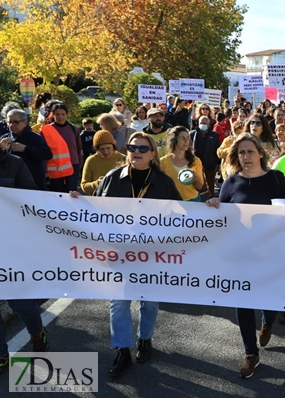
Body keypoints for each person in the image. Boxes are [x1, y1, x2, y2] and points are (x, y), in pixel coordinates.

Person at [71, 132, 181, 378]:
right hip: (117, 253)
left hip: (151, 254)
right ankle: (122, 349)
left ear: (153, 154)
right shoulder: (111, 178)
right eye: (133, 147)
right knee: (118, 303)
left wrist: (211, 209)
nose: (137, 152)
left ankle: (145, 339)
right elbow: (95, 211)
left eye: (144, 148)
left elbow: (181, 216)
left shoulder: (164, 183)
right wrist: (77, 202)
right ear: (127, 150)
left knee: (149, 300)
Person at [205, 134, 285, 379]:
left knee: (271, 298)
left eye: (250, 151)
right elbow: (222, 215)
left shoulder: (276, 178)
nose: (245, 156)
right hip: (240, 255)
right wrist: (213, 203)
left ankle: (268, 321)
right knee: (242, 302)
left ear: (260, 153)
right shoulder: (231, 182)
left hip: (271, 252)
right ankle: (250, 353)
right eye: (241, 153)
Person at [0, 145, 50, 374]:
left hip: (12, 244)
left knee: (20, 303)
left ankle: (37, 332)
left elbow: (30, 197)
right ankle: (1, 354)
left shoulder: (14, 163)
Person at [1, 109, 52, 190]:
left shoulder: (35, 137)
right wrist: (1, 149)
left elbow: (47, 154)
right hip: (10, 183)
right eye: (9, 122)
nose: (11, 125)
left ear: (25, 122)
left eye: (15, 122)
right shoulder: (4, 138)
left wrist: (25, 149)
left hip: (33, 181)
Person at [44, 102, 81, 192]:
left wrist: (80, 163)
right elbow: (44, 151)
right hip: (55, 167)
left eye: (63, 114)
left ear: (67, 114)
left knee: (72, 192)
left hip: (72, 165)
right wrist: (45, 170)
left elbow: (79, 147)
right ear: (53, 115)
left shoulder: (73, 129)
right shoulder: (47, 130)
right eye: (57, 114)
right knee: (58, 193)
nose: (60, 117)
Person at [160, 126, 205, 201]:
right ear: (174, 140)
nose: (187, 141)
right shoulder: (163, 162)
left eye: (187, 137)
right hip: (171, 203)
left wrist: (196, 179)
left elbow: (199, 187)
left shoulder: (196, 161)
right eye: (182, 138)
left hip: (192, 201)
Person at [80, 130, 126, 195]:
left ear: (113, 146)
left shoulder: (123, 158)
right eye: (102, 149)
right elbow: (84, 186)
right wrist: (98, 183)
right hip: (98, 201)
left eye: (108, 148)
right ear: (96, 149)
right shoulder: (91, 160)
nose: (106, 152)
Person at [190, 116, 220, 199]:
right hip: (195, 164)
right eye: (201, 123)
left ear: (209, 124)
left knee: (210, 184)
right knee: (196, 183)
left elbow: (217, 149)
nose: (203, 125)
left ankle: (211, 198)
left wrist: (218, 164)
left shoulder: (215, 135)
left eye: (205, 123)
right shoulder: (192, 134)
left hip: (210, 163)